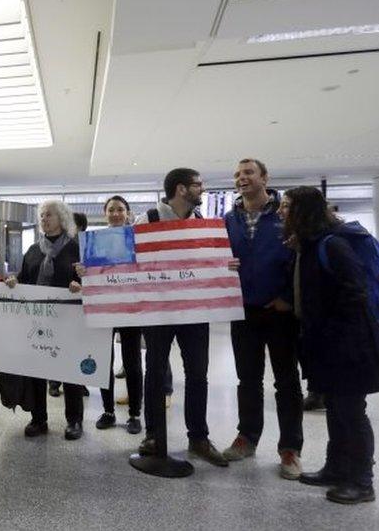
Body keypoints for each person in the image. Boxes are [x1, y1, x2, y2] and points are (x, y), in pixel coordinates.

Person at [284, 186, 379, 504]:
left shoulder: (333, 245)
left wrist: (332, 331)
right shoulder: (310, 244)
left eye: (287, 206)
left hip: (349, 346)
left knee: (351, 411)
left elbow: (355, 292)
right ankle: (336, 468)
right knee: (335, 408)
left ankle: (362, 481)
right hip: (329, 345)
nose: (282, 211)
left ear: (303, 211)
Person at [136, 168, 227, 466]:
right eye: (198, 185)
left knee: (198, 374)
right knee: (156, 373)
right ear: (181, 189)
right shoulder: (147, 220)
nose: (202, 190)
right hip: (158, 311)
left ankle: (198, 437)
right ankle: (153, 435)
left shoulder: (203, 224)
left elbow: (210, 263)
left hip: (195, 310)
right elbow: (128, 263)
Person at [221, 158, 304, 479]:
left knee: (286, 381)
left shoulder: (286, 215)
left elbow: (299, 258)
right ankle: (247, 438)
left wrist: (289, 298)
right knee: (248, 380)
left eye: (248, 173)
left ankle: (290, 449)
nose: (242, 178)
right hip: (242, 311)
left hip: (280, 312)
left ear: (265, 178)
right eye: (238, 174)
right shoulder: (229, 219)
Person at [5, 200, 86, 440]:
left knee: (70, 371)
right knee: (36, 370)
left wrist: (79, 283)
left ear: (61, 218)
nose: (44, 219)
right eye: (41, 216)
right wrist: (14, 282)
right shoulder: (33, 250)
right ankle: (39, 419)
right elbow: (23, 278)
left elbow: (89, 278)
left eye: (49, 215)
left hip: (67, 319)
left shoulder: (76, 248)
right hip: (37, 320)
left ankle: (74, 421)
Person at [92, 196, 145, 435]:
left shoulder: (137, 239)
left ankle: (135, 414)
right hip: (104, 306)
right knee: (104, 362)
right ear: (105, 213)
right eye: (111, 210)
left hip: (130, 307)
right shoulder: (96, 240)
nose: (115, 214)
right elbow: (92, 270)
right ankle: (108, 411)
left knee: (133, 363)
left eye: (120, 209)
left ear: (128, 213)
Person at [48, 212, 90, 399]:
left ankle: (78, 384)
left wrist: (80, 282)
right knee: (54, 348)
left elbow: (90, 277)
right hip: (53, 308)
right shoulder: (50, 247)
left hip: (75, 308)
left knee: (74, 348)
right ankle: (55, 382)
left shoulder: (81, 248)